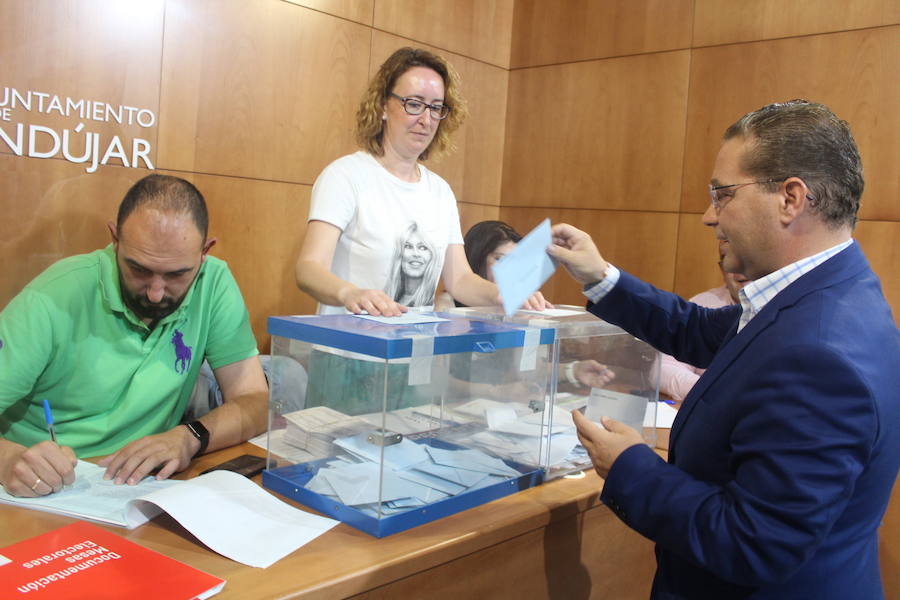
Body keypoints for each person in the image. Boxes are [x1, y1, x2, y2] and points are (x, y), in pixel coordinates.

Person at [548, 100, 899, 599]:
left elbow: (754, 543)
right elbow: (698, 330)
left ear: (791, 199)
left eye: (723, 194)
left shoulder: (820, 352)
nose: (707, 217)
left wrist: (628, 464)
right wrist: (600, 276)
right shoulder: (825, 294)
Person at [0, 174, 268, 497]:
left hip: (138, 491)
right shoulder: (50, 299)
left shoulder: (214, 283)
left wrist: (190, 435)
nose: (156, 294)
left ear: (204, 253)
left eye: (177, 275)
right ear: (115, 240)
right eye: (138, 270)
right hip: (44, 492)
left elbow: (255, 400)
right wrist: (7, 459)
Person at [295, 47, 548, 316]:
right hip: (349, 350)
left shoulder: (440, 191)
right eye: (414, 104)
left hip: (414, 350)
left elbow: (460, 279)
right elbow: (309, 268)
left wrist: (505, 293)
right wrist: (350, 293)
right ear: (382, 106)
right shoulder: (345, 176)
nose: (426, 120)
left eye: (436, 108)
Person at [658, 243, 750, 401]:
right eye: (728, 259)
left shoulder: (791, 311)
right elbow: (663, 368)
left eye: (747, 257)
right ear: (722, 269)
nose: (739, 269)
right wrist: (718, 393)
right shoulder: (703, 304)